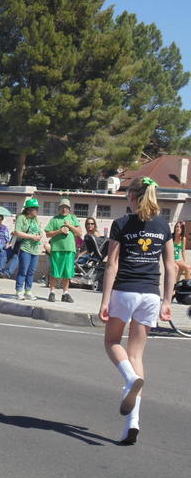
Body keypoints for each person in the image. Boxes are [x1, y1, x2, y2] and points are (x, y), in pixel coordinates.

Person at [98, 176, 175, 445]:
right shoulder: (163, 225)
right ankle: (133, 423)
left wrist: (105, 300)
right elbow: (171, 265)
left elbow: (112, 265)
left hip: (125, 290)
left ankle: (130, 379)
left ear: (132, 196)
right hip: (151, 294)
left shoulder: (121, 224)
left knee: (111, 342)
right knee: (137, 354)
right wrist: (167, 300)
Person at [44, 198, 82, 303]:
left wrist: (70, 226)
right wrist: (59, 231)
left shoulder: (73, 218)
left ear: (69, 209)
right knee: (55, 272)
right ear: (59, 208)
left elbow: (79, 233)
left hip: (70, 249)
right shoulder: (54, 219)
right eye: (62, 207)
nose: (64, 209)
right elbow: (47, 234)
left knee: (67, 273)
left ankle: (65, 293)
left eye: (66, 207)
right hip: (56, 249)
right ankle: (52, 292)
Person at [13, 198, 43, 300]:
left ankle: (28, 291)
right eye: (35, 208)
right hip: (25, 248)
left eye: (37, 209)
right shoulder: (22, 218)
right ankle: (19, 291)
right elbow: (17, 232)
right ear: (29, 209)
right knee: (23, 270)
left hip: (35, 249)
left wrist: (39, 236)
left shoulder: (36, 219)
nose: (37, 211)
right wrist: (31, 237)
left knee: (31, 271)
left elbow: (40, 231)